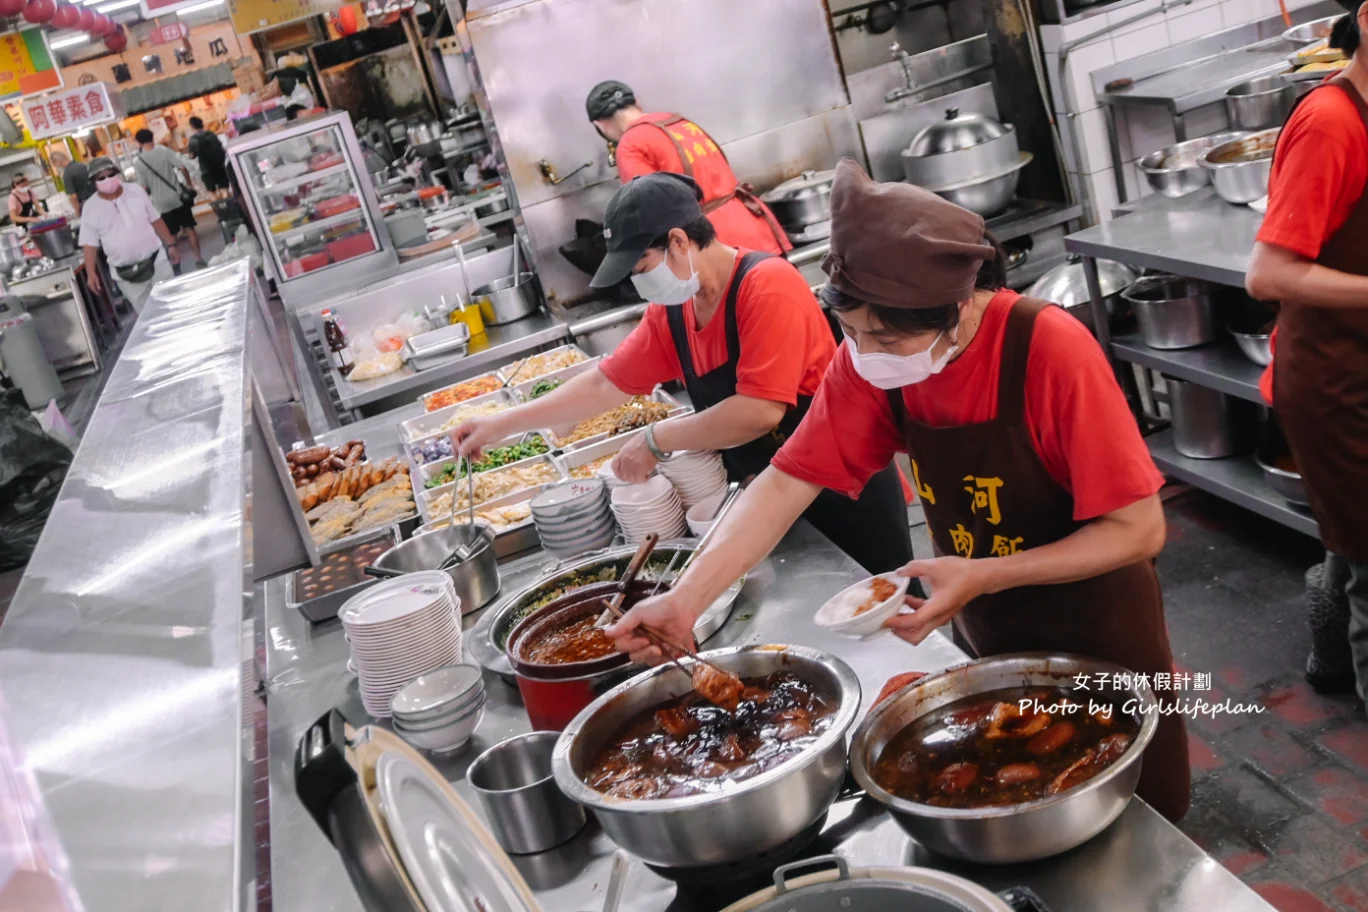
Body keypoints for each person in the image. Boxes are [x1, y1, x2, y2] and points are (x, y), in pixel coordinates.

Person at [606, 160, 1191, 823]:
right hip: (994, 635)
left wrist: (984, 574)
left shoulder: (1049, 350)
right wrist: (686, 600)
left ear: (959, 304)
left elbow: (1140, 530)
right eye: (852, 332)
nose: (864, 351)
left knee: (1143, 817)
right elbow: (788, 480)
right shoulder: (870, 366)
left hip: (1101, 629)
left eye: (885, 336)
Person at [452, 172, 912, 574]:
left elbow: (758, 412)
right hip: (770, 499)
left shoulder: (766, 286)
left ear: (678, 241)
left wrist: (657, 439)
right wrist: (498, 427)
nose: (639, 282)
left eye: (641, 267)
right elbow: (603, 384)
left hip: (844, 492)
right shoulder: (673, 312)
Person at [1245, 0, 1368, 702]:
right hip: (1339, 387)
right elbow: (1268, 275)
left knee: (1354, 548)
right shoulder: (1330, 121)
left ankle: (1327, 644)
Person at [585, 80, 791, 257]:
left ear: (600, 125)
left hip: (717, 244)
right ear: (637, 102)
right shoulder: (677, 121)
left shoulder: (630, 145)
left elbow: (650, 213)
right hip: (754, 226)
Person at [78, 157, 180, 314]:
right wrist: (91, 273)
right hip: (125, 274)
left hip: (156, 261)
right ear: (93, 182)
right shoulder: (90, 207)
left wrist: (171, 244)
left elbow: (155, 218)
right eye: (101, 178)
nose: (108, 179)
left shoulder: (136, 191)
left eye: (111, 174)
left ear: (118, 174)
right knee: (148, 316)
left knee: (174, 304)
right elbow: (89, 242)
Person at [132, 128, 205, 270]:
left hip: (160, 204)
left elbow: (143, 188)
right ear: (153, 137)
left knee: (171, 237)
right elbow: (183, 167)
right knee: (189, 229)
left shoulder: (139, 162)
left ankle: (177, 265)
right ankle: (198, 259)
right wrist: (189, 185)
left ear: (138, 142)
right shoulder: (164, 151)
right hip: (177, 197)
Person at [186, 116, 230, 201]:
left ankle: (220, 210)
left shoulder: (193, 140)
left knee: (211, 191)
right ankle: (228, 205)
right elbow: (221, 148)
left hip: (206, 169)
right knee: (223, 188)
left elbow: (192, 156)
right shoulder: (211, 134)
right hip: (218, 166)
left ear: (192, 126)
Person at [50, 151, 92, 216]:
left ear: (58, 162)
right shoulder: (83, 165)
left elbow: (73, 197)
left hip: (87, 206)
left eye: (55, 165)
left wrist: (77, 214)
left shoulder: (67, 174)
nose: (57, 167)